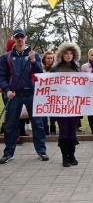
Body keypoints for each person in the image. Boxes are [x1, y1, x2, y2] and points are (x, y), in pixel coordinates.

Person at [0, 28, 48, 164]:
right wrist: (6, 90)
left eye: (22, 37)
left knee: (37, 123)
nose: (20, 39)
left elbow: (40, 74)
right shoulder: (6, 57)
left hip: (31, 94)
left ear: (26, 38)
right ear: (14, 39)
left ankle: (41, 150)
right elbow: (2, 76)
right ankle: (8, 153)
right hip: (13, 95)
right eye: (17, 37)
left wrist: (33, 61)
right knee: (10, 125)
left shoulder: (35, 55)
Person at [50, 42, 81, 167]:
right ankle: (65, 157)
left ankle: (72, 155)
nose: (68, 56)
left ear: (74, 55)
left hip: (74, 106)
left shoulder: (77, 69)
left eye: (71, 54)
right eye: (66, 53)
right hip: (60, 107)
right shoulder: (55, 69)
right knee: (64, 132)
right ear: (61, 54)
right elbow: (49, 85)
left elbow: (84, 85)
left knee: (72, 132)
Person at [41, 51, 57, 135]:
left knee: (52, 110)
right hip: (43, 93)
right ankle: (45, 128)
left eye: (51, 58)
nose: (50, 60)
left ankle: (53, 128)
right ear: (44, 59)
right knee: (44, 111)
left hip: (54, 93)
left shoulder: (56, 68)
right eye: (48, 58)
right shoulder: (40, 68)